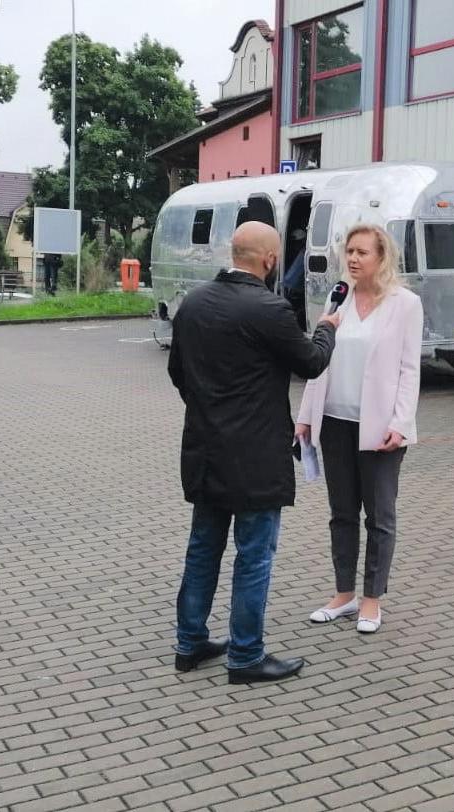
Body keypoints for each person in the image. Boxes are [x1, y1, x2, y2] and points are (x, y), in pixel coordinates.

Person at [168, 221, 340, 684]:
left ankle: (190, 643)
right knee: (254, 555)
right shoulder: (269, 308)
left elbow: (178, 373)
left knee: (203, 548)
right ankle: (245, 655)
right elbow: (311, 362)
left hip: (205, 451)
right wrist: (327, 328)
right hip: (255, 459)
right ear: (268, 260)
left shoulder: (194, 302)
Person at [295, 225, 423, 634]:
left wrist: (400, 423)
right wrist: (305, 415)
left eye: (362, 252)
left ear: (382, 257)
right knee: (342, 513)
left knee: (380, 515)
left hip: (380, 427)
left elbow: (409, 369)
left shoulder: (405, 304)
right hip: (334, 421)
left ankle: (372, 598)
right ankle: (343, 594)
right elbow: (319, 357)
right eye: (349, 251)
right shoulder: (339, 299)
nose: (352, 259)